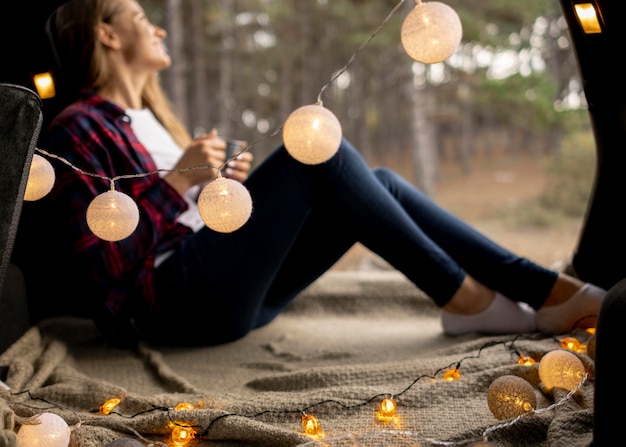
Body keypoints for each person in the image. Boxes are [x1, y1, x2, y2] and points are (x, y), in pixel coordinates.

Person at [16, 0, 606, 348]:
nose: (160, 28)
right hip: (170, 310)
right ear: (108, 33)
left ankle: (532, 287)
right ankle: (478, 297)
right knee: (316, 147)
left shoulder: (153, 120)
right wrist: (178, 182)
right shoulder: (79, 126)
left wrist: (226, 191)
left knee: (381, 178)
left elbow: (186, 210)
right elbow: (104, 272)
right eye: (143, 16)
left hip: (223, 289)